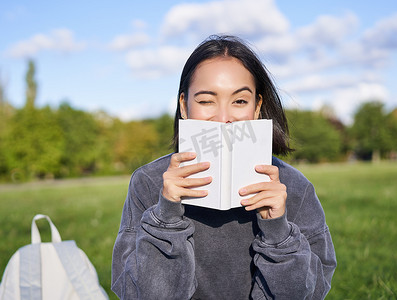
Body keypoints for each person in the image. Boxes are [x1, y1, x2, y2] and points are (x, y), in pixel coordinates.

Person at [111, 35, 337, 299]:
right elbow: (140, 294)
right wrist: (167, 214)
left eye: (239, 101)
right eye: (206, 100)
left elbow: (312, 292)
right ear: (184, 106)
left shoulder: (292, 186)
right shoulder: (149, 182)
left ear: (257, 107)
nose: (223, 118)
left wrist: (277, 230)